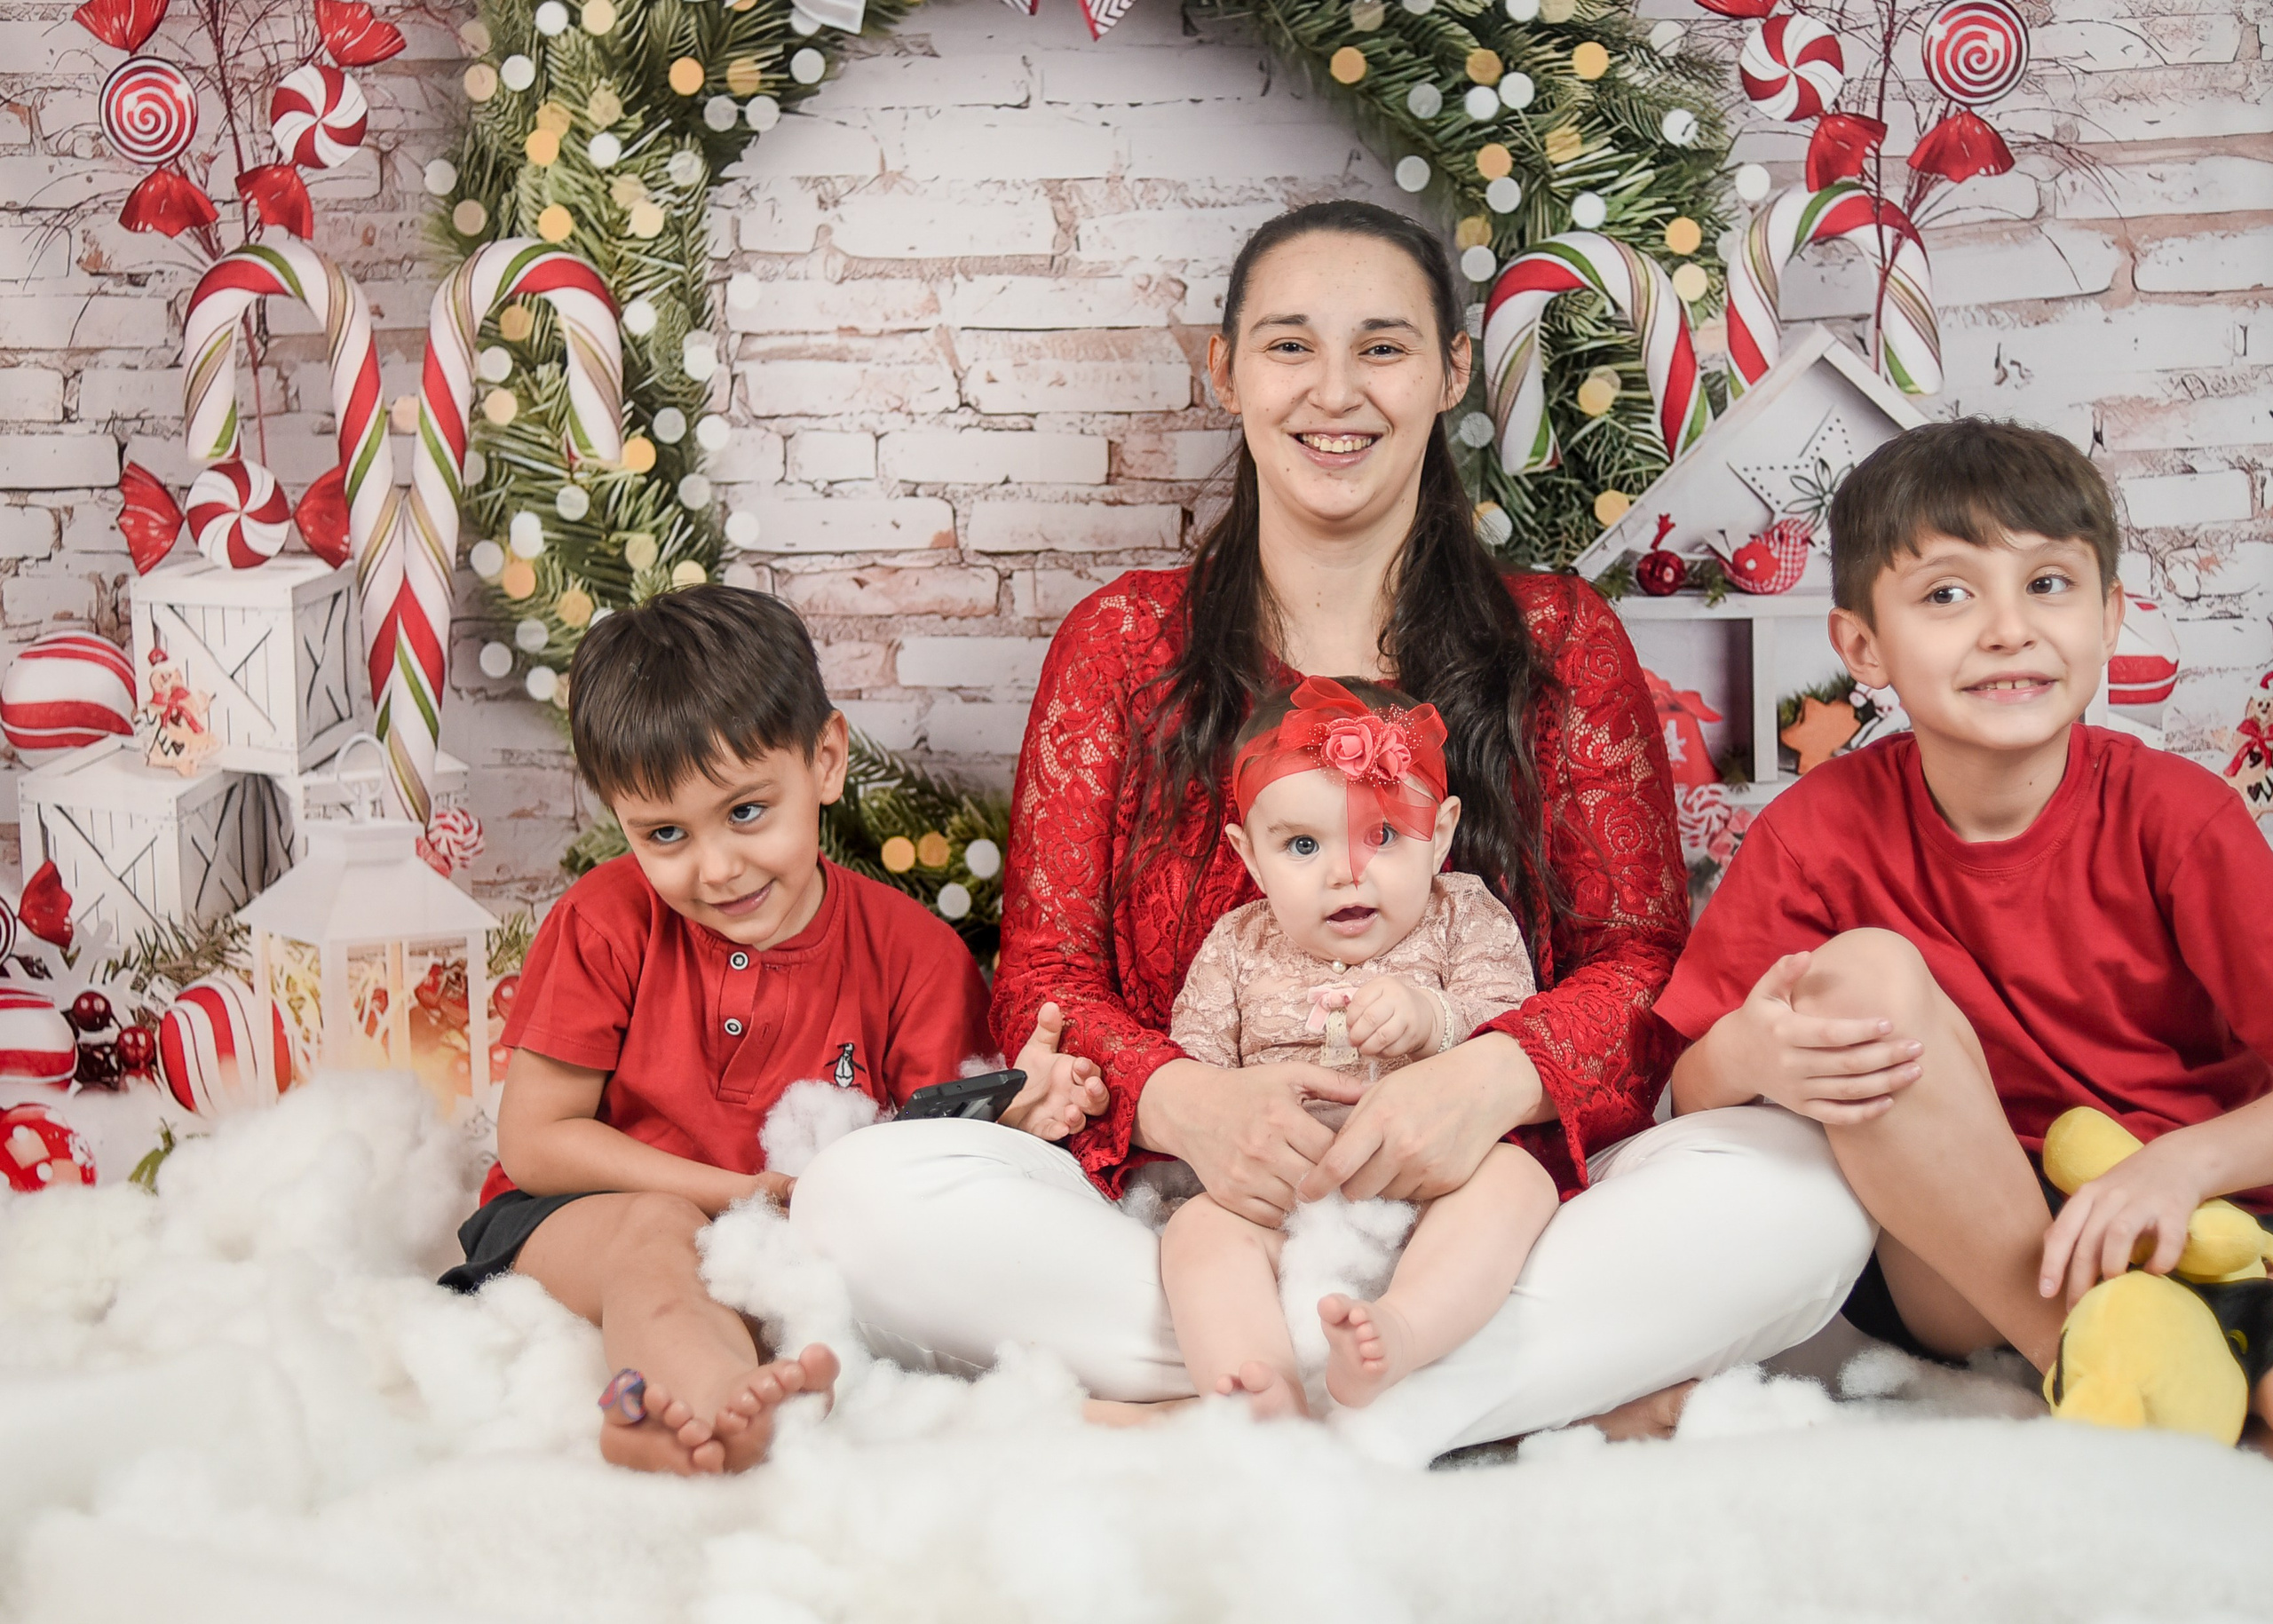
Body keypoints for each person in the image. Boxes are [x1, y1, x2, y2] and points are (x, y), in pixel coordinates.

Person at [791, 199, 1875, 1466]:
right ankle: (1445, 1404)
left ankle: (1252, 1416)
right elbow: (1042, 976)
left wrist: (1488, 1079)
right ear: (1228, 370)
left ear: (1452, 372)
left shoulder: (1558, 638)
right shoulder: (1123, 646)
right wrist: (1192, 1105)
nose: (1335, 392)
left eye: (1383, 347)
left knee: (1802, 1191)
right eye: (1291, 346)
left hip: (1490, 1201)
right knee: (858, 1197)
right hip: (1197, 1215)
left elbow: (1641, 963)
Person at [1656, 419, 2273, 1432]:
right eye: (1947, 593)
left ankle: (2178, 1349)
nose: (2006, 629)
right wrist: (1748, 1050)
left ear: (2110, 617)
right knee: (1859, 974)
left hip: (2191, 1219)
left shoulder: (2179, 815)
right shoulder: (1818, 831)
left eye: (2047, 584)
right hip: (1967, 1256)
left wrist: (2183, 1163)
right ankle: (2079, 1351)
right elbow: (1683, 1091)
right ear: (1861, 645)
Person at [440, 585, 1105, 1475]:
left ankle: (651, 1408)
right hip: (579, 1219)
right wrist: (731, 1188)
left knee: (858, 1287)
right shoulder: (603, 921)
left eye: (747, 812)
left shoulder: (914, 953)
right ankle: (708, 1409)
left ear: (825, 760)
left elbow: (924, 1166)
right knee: (658, 1233)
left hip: (790, 1240)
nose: (716, 867)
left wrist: (1017, 1119)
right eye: (665, 832)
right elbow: (536, 1141)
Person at [1162, 676, 1554, 1416]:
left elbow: (1517, 1027)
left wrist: (1434, 1016)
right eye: (1303, 844)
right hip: (1286, 1201)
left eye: (1383, 835)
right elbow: (1194, 1066)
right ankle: (1260, 1386)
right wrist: (1223, 1107)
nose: (1347, 871)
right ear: (1249, 857)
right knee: (1197, 1233)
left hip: (1434, 1190)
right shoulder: (1237, 945)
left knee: (1516, 1183)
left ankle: (1402, 1329)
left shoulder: (1462, 916)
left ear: (1438, 835)